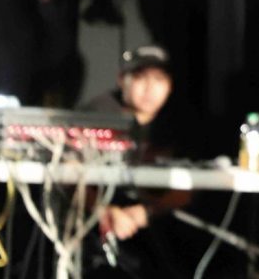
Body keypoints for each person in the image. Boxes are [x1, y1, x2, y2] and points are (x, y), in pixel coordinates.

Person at [82, 44, 203, 278]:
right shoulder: (96, 114)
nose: (150, 88)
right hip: (96, 227)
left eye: (159, 79)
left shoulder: (179, 122)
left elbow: (193, 183)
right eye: (140, 78)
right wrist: (103, 211)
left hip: (156, 227)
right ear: (122, 80)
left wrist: (147, 212)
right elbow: (69, 174)